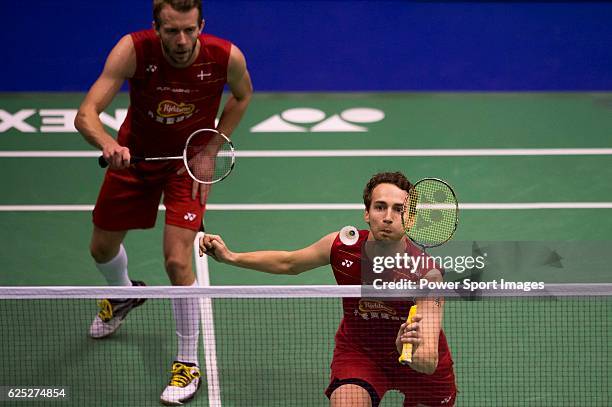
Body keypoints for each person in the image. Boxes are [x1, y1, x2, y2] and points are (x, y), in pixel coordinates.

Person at [74, 0, 252, 404]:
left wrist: (210, 148)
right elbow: (86, 113)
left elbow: (242, 96)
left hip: (187, 165)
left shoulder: (226, 56)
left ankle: (187, 362)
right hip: (134, 157)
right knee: (100, 248)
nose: (182, 40)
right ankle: (123, 293)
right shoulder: (133, 50)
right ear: (157, 28)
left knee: (177, 260)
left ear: (201, 25)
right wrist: (108, 143)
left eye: (190, 29)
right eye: (172, 30)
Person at [200, 172, 457, 407]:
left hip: (412, 362)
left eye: (398, 209)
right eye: (380, 207)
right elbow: (289, 263)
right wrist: (231, 257)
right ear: (367, 213)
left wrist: (406, 350)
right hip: (361, 353)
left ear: (411, 217)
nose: (388, 217)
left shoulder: (427, 275)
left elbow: (427, 362)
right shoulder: (342, 246)